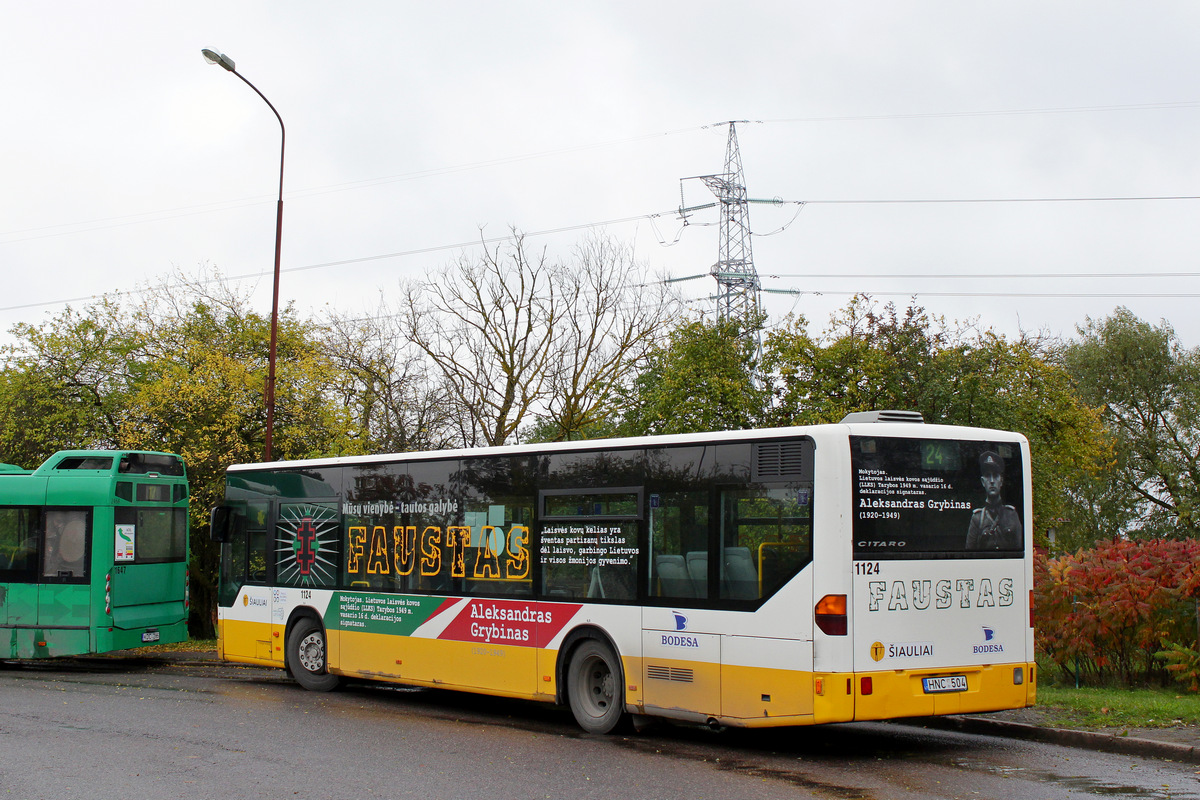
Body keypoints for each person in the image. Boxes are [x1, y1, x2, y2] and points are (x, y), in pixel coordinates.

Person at [965, 451, 1022, 550]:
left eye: (995, 476)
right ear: (983, 482)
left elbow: (1019, 547)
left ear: (1001, 481)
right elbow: (969, 551)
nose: (992, 481)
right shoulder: (977, 518)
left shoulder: (1011, 515)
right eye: (987, 475)